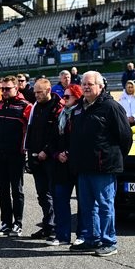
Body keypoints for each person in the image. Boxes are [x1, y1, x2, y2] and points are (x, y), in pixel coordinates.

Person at [69, 71, 132, 256]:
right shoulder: (79, 107)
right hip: (84, 167)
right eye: (84, 84)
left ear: (100, 86)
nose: (86, 87)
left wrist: (114, 159)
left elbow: (125, 137)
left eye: (90, 84)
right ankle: (91, 239)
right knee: (87, 206)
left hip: (104, 167)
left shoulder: (111, 106)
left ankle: (109, 241)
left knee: (105, 205)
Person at [0, 76, 32, 236]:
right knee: (2, 191)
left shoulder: (26, 106)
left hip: (16, 155)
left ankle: (17, 224)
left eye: (8, 89)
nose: (5, 92)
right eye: (3, 89)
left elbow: (32, 130)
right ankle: (5, 222)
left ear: (16, 88)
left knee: (17, 190)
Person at [24, 78, 64, 240]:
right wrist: (30, 154)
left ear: (48, 91)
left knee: (54, 193)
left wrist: (46, 151)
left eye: (39, 92)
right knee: (42, 194)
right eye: (35, 92)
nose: (36, 95)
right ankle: (48, 225)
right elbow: (31, 131)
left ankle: (56, 227)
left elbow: (57, 134)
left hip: (51, 157)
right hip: (36, 156)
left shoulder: (57, 107)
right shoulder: (35, 107)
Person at [49, 84, 83, 246]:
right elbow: (53, 139)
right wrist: (57, 154)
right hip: (61, 165)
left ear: (77, 97)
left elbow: (84, 140)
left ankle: (82, 235)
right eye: (64, 96)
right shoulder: (61, 115)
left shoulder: (83, 114)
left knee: (83, 202)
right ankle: (62, 236)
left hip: (78, 164)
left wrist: (69, 153)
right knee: (60, 200)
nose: (64, 99)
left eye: (68, 97)